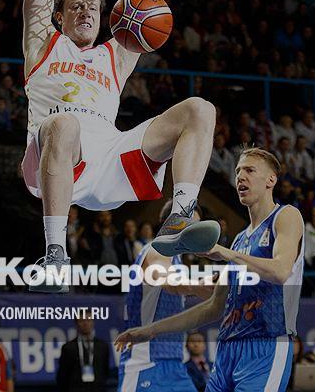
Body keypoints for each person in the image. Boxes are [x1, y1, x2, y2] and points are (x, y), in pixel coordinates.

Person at [20, 0, 220, 291]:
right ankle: (56, 255)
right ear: (58, 16)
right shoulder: (43, 43)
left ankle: (180, 215)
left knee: (200, 109)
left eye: (93, 7)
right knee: (64, 122)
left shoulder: (115, 54)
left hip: (110, 158)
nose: (86, 11)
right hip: (57, 160)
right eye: (76, 5)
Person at [116, 148, 305, 392]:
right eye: (238, 171)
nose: (240, 176)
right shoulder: (239, 240)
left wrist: (225, 254)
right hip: (227, 349)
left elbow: (281, 271)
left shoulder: (286, 215)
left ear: (271, 180)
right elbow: (214, 306)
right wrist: (151, 330)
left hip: (265, 344)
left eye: (249, 170)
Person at [117, 203, 212, 391]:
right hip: (145, 364)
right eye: (190, 224)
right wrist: (196, 286)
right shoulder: (155, 251)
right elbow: (168, 281)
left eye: (198, 225)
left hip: (176, 364)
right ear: (169, 223)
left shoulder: (178, 262)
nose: (195, 232)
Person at [56, 317, 110, 391]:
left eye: (88, 320)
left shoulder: (102, 346)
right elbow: (62, 376)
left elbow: (105, 371)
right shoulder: (68, 348)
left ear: (93, 322)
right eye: (82, 321)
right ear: (76, 323)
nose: (85, 323)